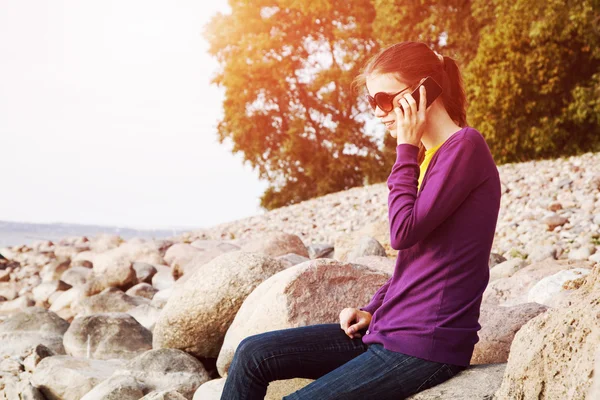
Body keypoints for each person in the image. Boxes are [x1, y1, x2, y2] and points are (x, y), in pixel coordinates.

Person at [220, 41, 502, 400]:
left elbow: (402, 232)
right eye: (372, 102)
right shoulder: (433, 155)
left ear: (425, 90)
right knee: (252, 354)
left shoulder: (465, 147)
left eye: (385, 100)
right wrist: (374, 309)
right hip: (390, 330)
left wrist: (405, 149)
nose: (379, 112)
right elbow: (418, 258)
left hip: (425, 346)